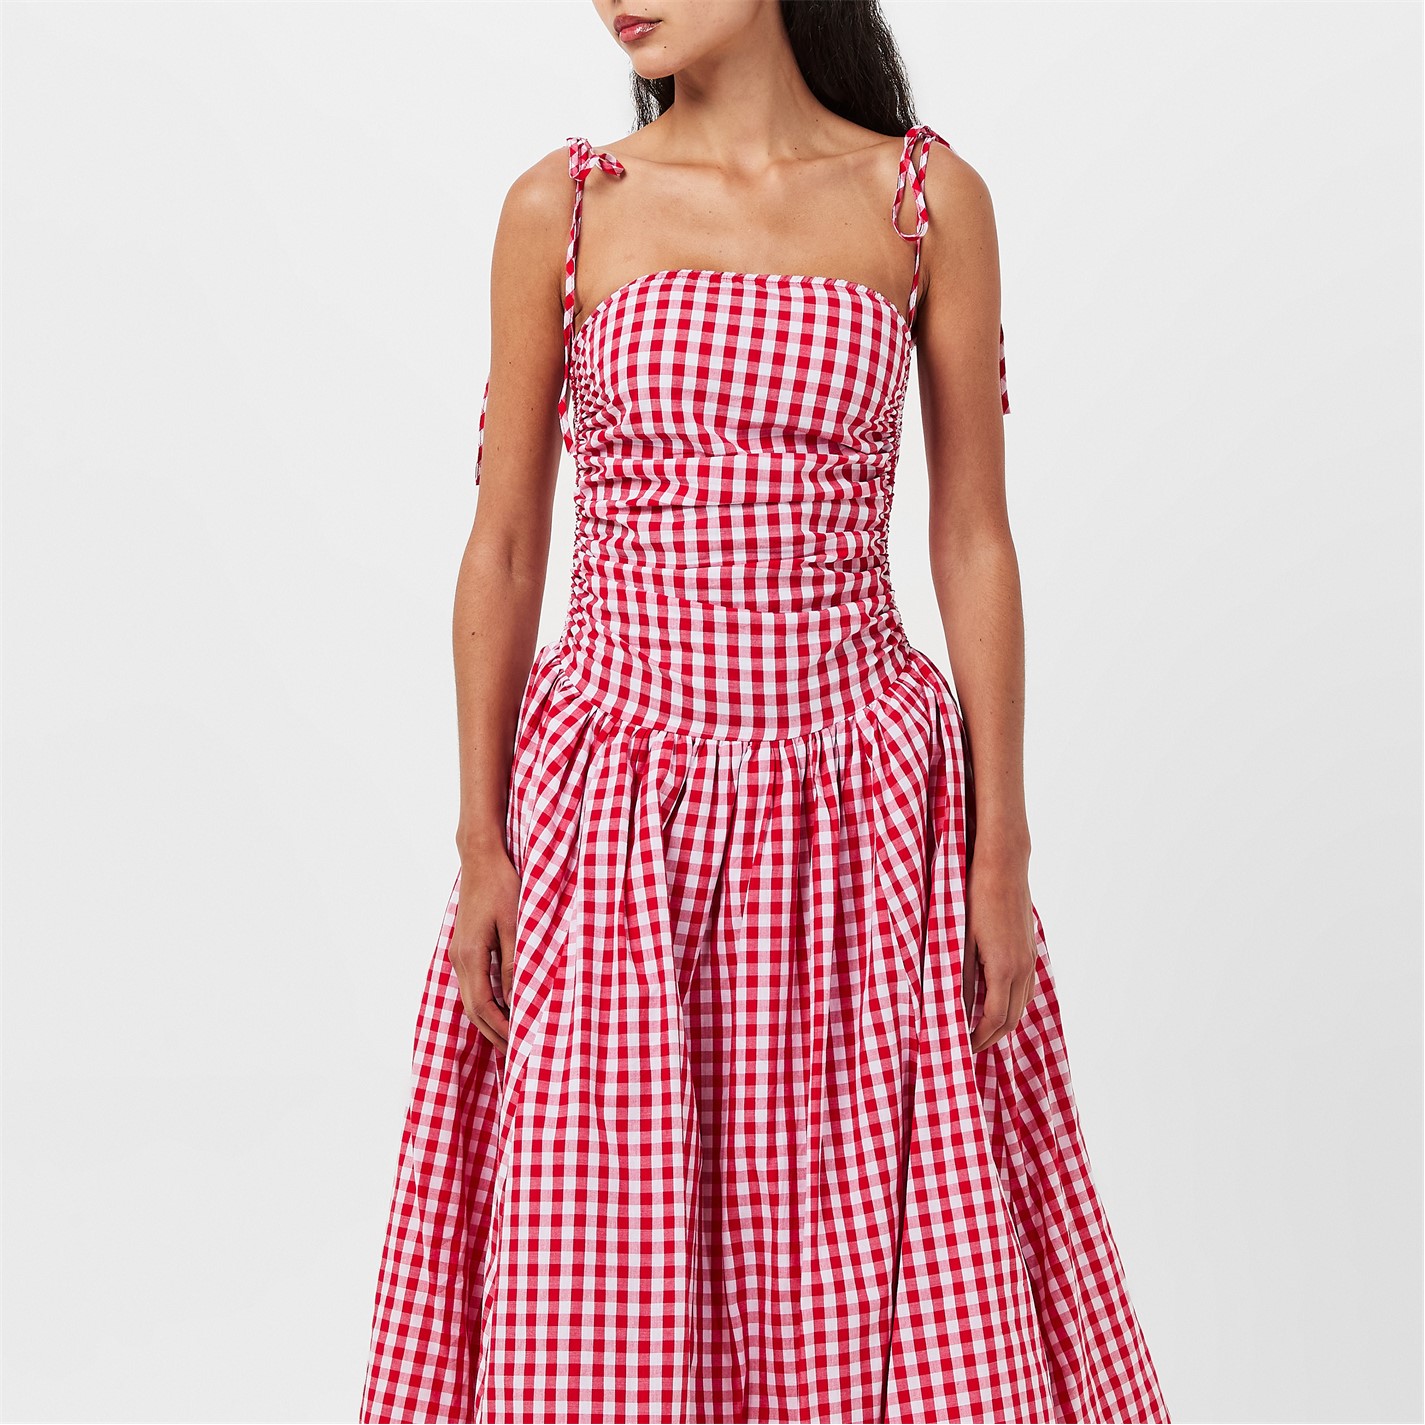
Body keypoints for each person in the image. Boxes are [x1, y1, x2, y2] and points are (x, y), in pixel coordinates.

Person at [362, 3, 1170, 1421]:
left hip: (862, 811)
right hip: (617, 816)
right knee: (599, 1268)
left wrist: (1000, 846)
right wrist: (481, 839)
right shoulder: (563, 209)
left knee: (882, 1267)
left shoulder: (923, 199)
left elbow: (972, 537)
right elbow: (505, 546)